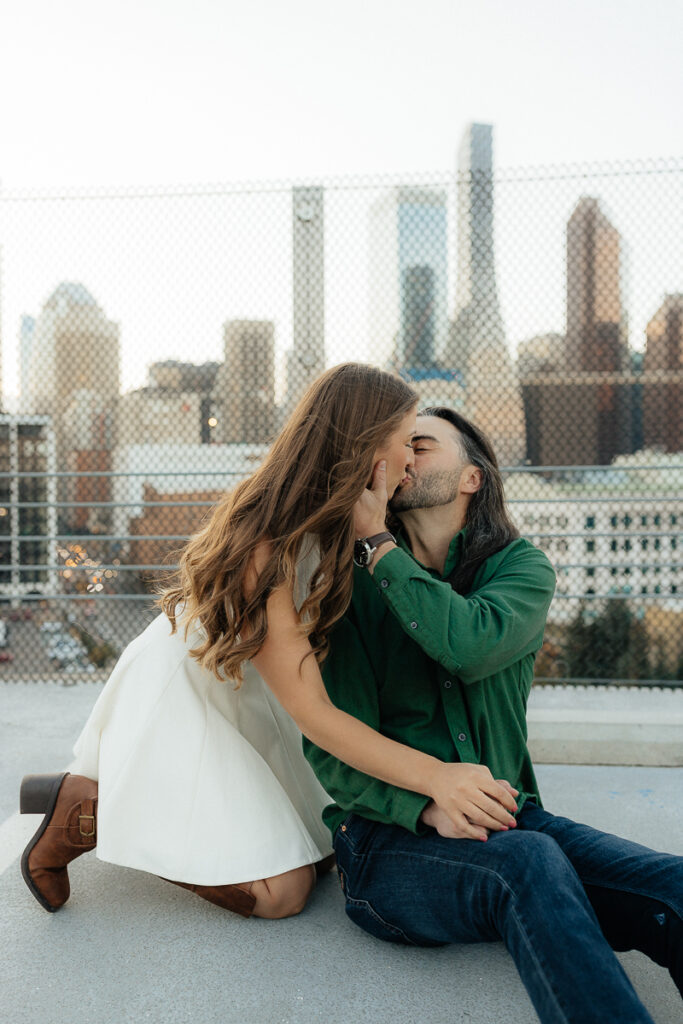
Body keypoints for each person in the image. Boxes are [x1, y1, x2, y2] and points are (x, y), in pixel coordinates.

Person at [19, 365, 518, 922]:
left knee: (323, 848)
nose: (411, 461)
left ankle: (120, 797)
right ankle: (86, 808)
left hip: (262, 693)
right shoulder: (269, 540)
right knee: (282, 893)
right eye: (406, 443)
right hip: (195, 689)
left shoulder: (362, 520)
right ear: (365, 447)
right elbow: (314, 713)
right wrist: (435, 778)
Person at [304, 406, 683, 1024]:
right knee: (528, 865)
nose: (402, 458)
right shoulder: (351, 587)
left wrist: (377, 545)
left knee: (673, 887)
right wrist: (427, 802)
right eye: (398, 447)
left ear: (471, 478)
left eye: (420, 445)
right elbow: (330, 748)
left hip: (510, 821)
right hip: (385, 849)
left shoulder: (522, 569)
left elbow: (469, 644)